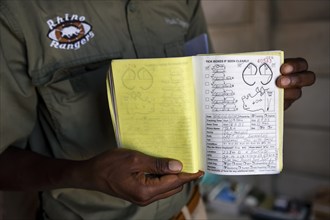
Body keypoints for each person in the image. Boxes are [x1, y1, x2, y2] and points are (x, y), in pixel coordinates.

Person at [0, 1, 315, 219]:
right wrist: (82, 175)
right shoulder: (18, 12)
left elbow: (202, 93)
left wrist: (259, 101)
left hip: (191, 210)